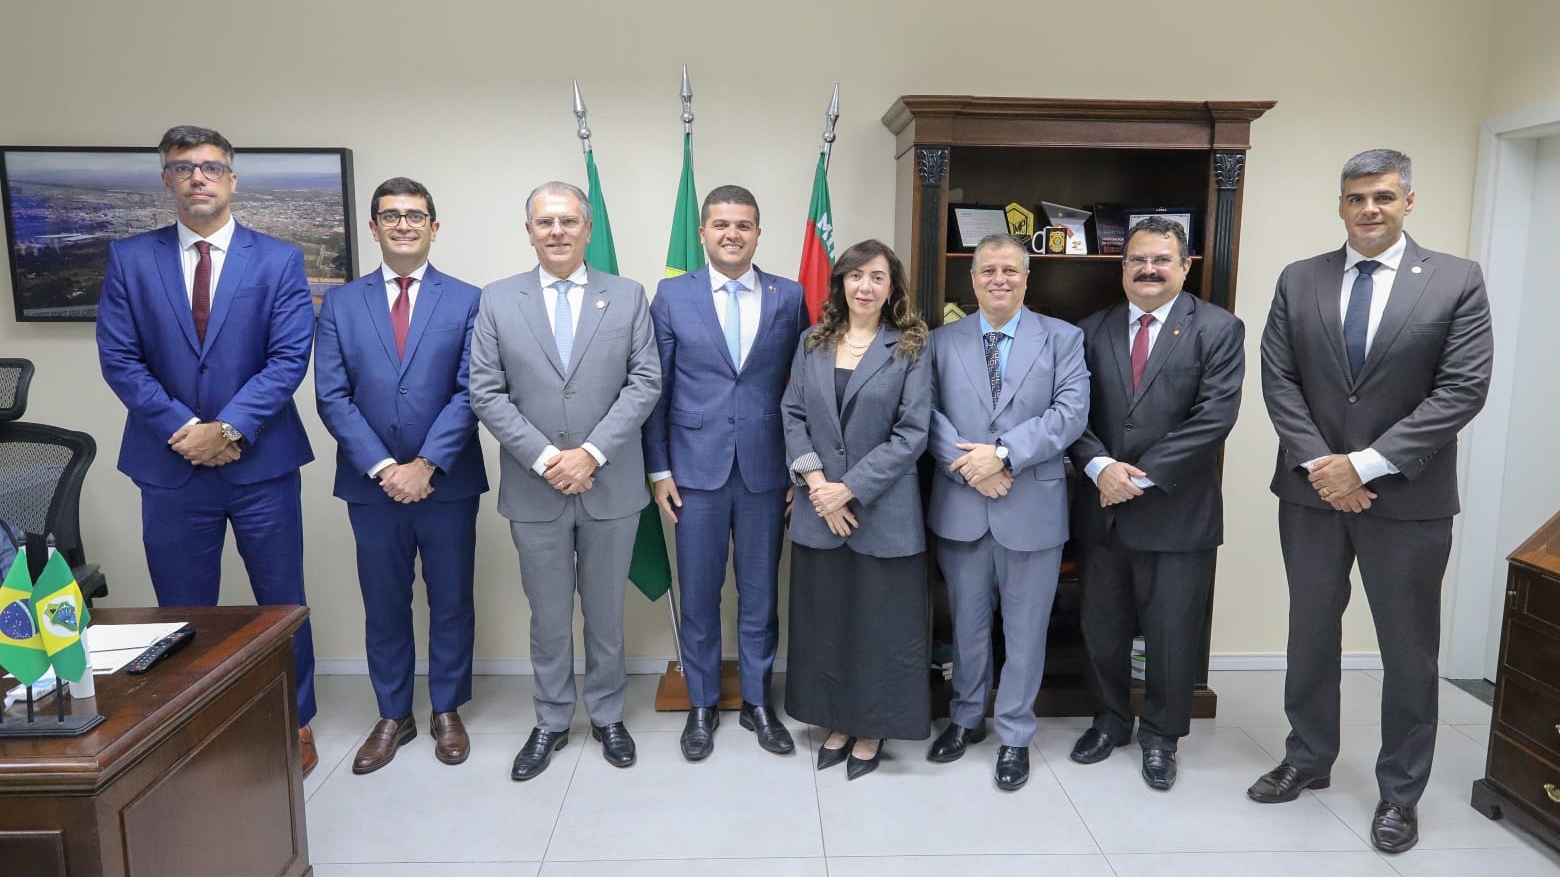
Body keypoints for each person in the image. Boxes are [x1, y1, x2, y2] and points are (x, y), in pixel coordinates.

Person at [1252, 149, 1493, 853]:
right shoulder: (1301, 279)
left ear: (1409, 201)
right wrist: (1324, 466)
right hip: (1310, 492)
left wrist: (1362, 464)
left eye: (1384, 196)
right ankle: (1308, 755)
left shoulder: (1455, 281)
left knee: (1408, 649)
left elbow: (1461, 389)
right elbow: (1279, 380)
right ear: (1340, 204)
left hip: (1408, 498)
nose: (1370, 209)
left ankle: (1400, 790)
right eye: (1357, 197)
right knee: (1310, 630)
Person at [95, 124, 319, 774]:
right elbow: (120, 358)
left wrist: (227, 428)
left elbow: (286, 359)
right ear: (166, 179)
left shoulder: (277, 260)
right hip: (169, 468)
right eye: (184, 167)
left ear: (232, 179)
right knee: (184, 609)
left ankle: (294, 721)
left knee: (282, 601)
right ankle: (193, 723)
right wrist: (184, 430)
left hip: (263, 464)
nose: (198, 176)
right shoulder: (130, 260)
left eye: (210, 166)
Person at [468, 181, 660, 781]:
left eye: (568, 221)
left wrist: (592, 454)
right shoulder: (498, 300)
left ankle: (606, 715)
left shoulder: (627, 297)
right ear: (529, 230)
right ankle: (551, 718)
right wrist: (549, 457)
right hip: (535, 487)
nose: (557, 231)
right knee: (548, 616)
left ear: (588, 228)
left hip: (611, 485)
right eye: (545, 222)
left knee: (605, 612)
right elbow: (485, 391)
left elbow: (644, 382)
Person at [315, 177, 487, 774]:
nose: (404, 225)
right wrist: (388, 468)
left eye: (416, 216)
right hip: (372, 485)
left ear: (435, 227)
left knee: (451, 599)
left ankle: (445, 708)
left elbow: (473, 391)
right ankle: (394, 713)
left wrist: (426, 464)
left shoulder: (468, 300)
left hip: (448, 481)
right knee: (383, 601)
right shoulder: (340, 303)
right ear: (374, 227)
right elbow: (332, 397)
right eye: (391, 216)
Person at [1066, 216, 1244, 790]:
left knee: (1172, 633)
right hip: (1102, 509)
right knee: (1103, 628)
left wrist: (1137, 477)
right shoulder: (1088, 330)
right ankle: (1110, 721)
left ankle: (1163, 736)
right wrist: (1099, 466)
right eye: (1137, 260)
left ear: (1185, 266)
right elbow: (1071, 411)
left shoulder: (1217, 329)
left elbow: (1214, 418)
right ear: (1122, 268)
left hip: (1177, 513)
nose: (1148, 269)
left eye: (1161, 260)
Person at [643, 185, 808, 761]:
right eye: (720, 225)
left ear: (758, 233)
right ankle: (702, 704)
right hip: (693, 473)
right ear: (704, 233)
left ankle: (760, 704)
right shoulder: (670, 296)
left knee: (761, 595)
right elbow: (654, 390)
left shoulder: (790, 297)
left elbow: (802, 388)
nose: (732, 234)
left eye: (743, 225)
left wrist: (799, 467)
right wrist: (659, 469)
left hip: (769, 471)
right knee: (700, 595)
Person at [925, 233, 1090, 791]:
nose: (999, 279)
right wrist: (967, 466)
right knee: (967, 627)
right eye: (987, 271)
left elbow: (1070, 413)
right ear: (971, 280)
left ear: (1026, 278)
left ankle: (1015, 734)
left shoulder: (1063, 339)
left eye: (1010, 271)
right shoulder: (941, 341)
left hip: (1032, 508)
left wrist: (1001, 456)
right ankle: (967, 717)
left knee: (1026, 631)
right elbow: (925, 414)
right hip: (962, 505)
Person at [780, 239, 931, 779]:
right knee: (827, 622)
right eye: (855, 276)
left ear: (893, 289)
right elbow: (791, 413)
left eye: (877, 278)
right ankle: (835, 720)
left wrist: (848, 490)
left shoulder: (911, 345)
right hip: (818, 511)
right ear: (841, 283)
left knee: (878, 626)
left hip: (882, 513)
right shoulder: (812, 342)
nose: (865, 287)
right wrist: (819, 484)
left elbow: (912, 433)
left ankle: (871, 727)